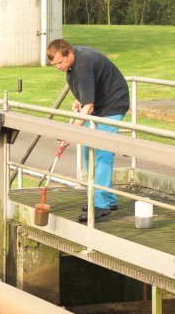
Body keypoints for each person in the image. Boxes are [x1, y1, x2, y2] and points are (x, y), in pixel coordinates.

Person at [46, 39, 130, 222]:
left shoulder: (83, 64)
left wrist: (70, 133)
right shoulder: (75, 62)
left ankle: (101, 206)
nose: (58, 67)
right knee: (88, 152)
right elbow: (88, 95)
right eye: (54, 65)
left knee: (101, 154)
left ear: (69, 53)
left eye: (60, 62)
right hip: (101, 105)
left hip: (113, 106)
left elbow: (89, 107)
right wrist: (81, 99)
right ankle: (109, 198)